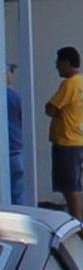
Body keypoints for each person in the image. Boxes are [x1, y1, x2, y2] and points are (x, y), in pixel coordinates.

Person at [46, 45, 83, 223]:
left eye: (58, 63)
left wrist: (50, 108)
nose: (56, 66)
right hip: (76, 140)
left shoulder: (69, 83)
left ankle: (77, 224)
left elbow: (51, 108)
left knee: (69, 188)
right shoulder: (82, 81)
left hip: (67, 141)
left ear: (66, 62)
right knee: (75, 186)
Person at [6, 61, 23, 207]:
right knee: (17, 197)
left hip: (10, 152)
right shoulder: (15, 96)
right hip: (15, 151)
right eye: (11, 70)